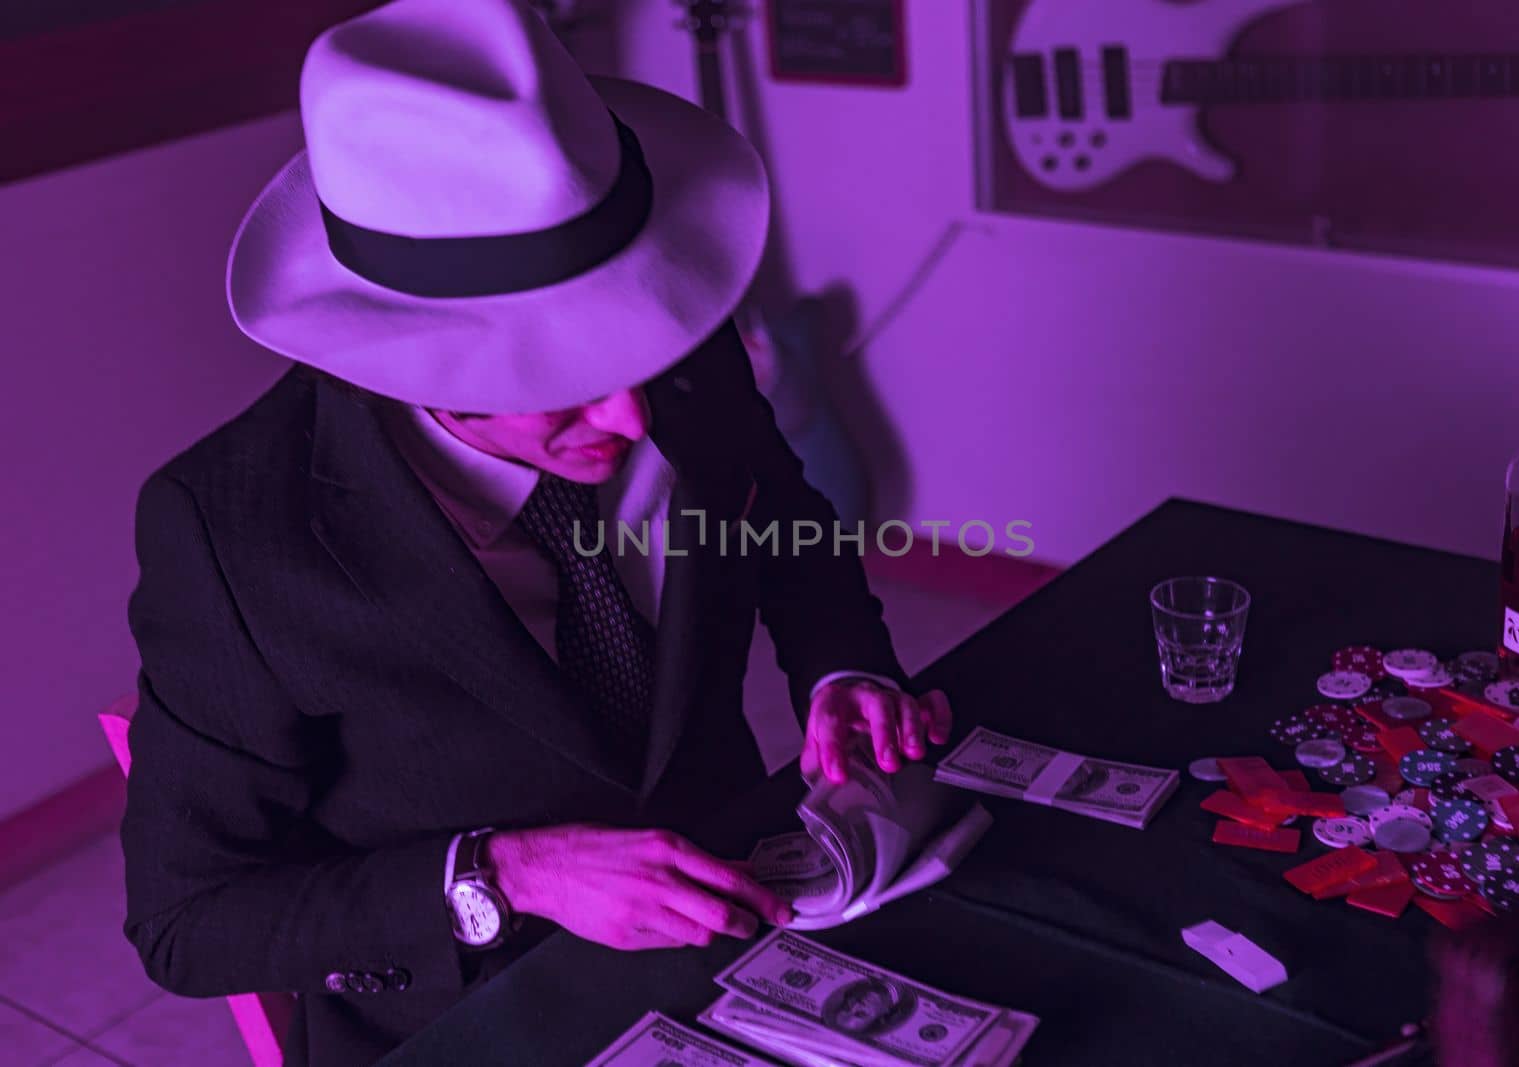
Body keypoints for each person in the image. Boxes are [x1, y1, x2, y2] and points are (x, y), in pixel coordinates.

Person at [118, 2, 951, 1064]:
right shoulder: (230, 529)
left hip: (749, 920)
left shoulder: (674, 350)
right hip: (470, 1012)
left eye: (637, 357)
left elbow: (784, 521)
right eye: (560, 383)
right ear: (406, 356)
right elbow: (188, 924)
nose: (633, 419)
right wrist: (505, 872)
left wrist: (840, 667)